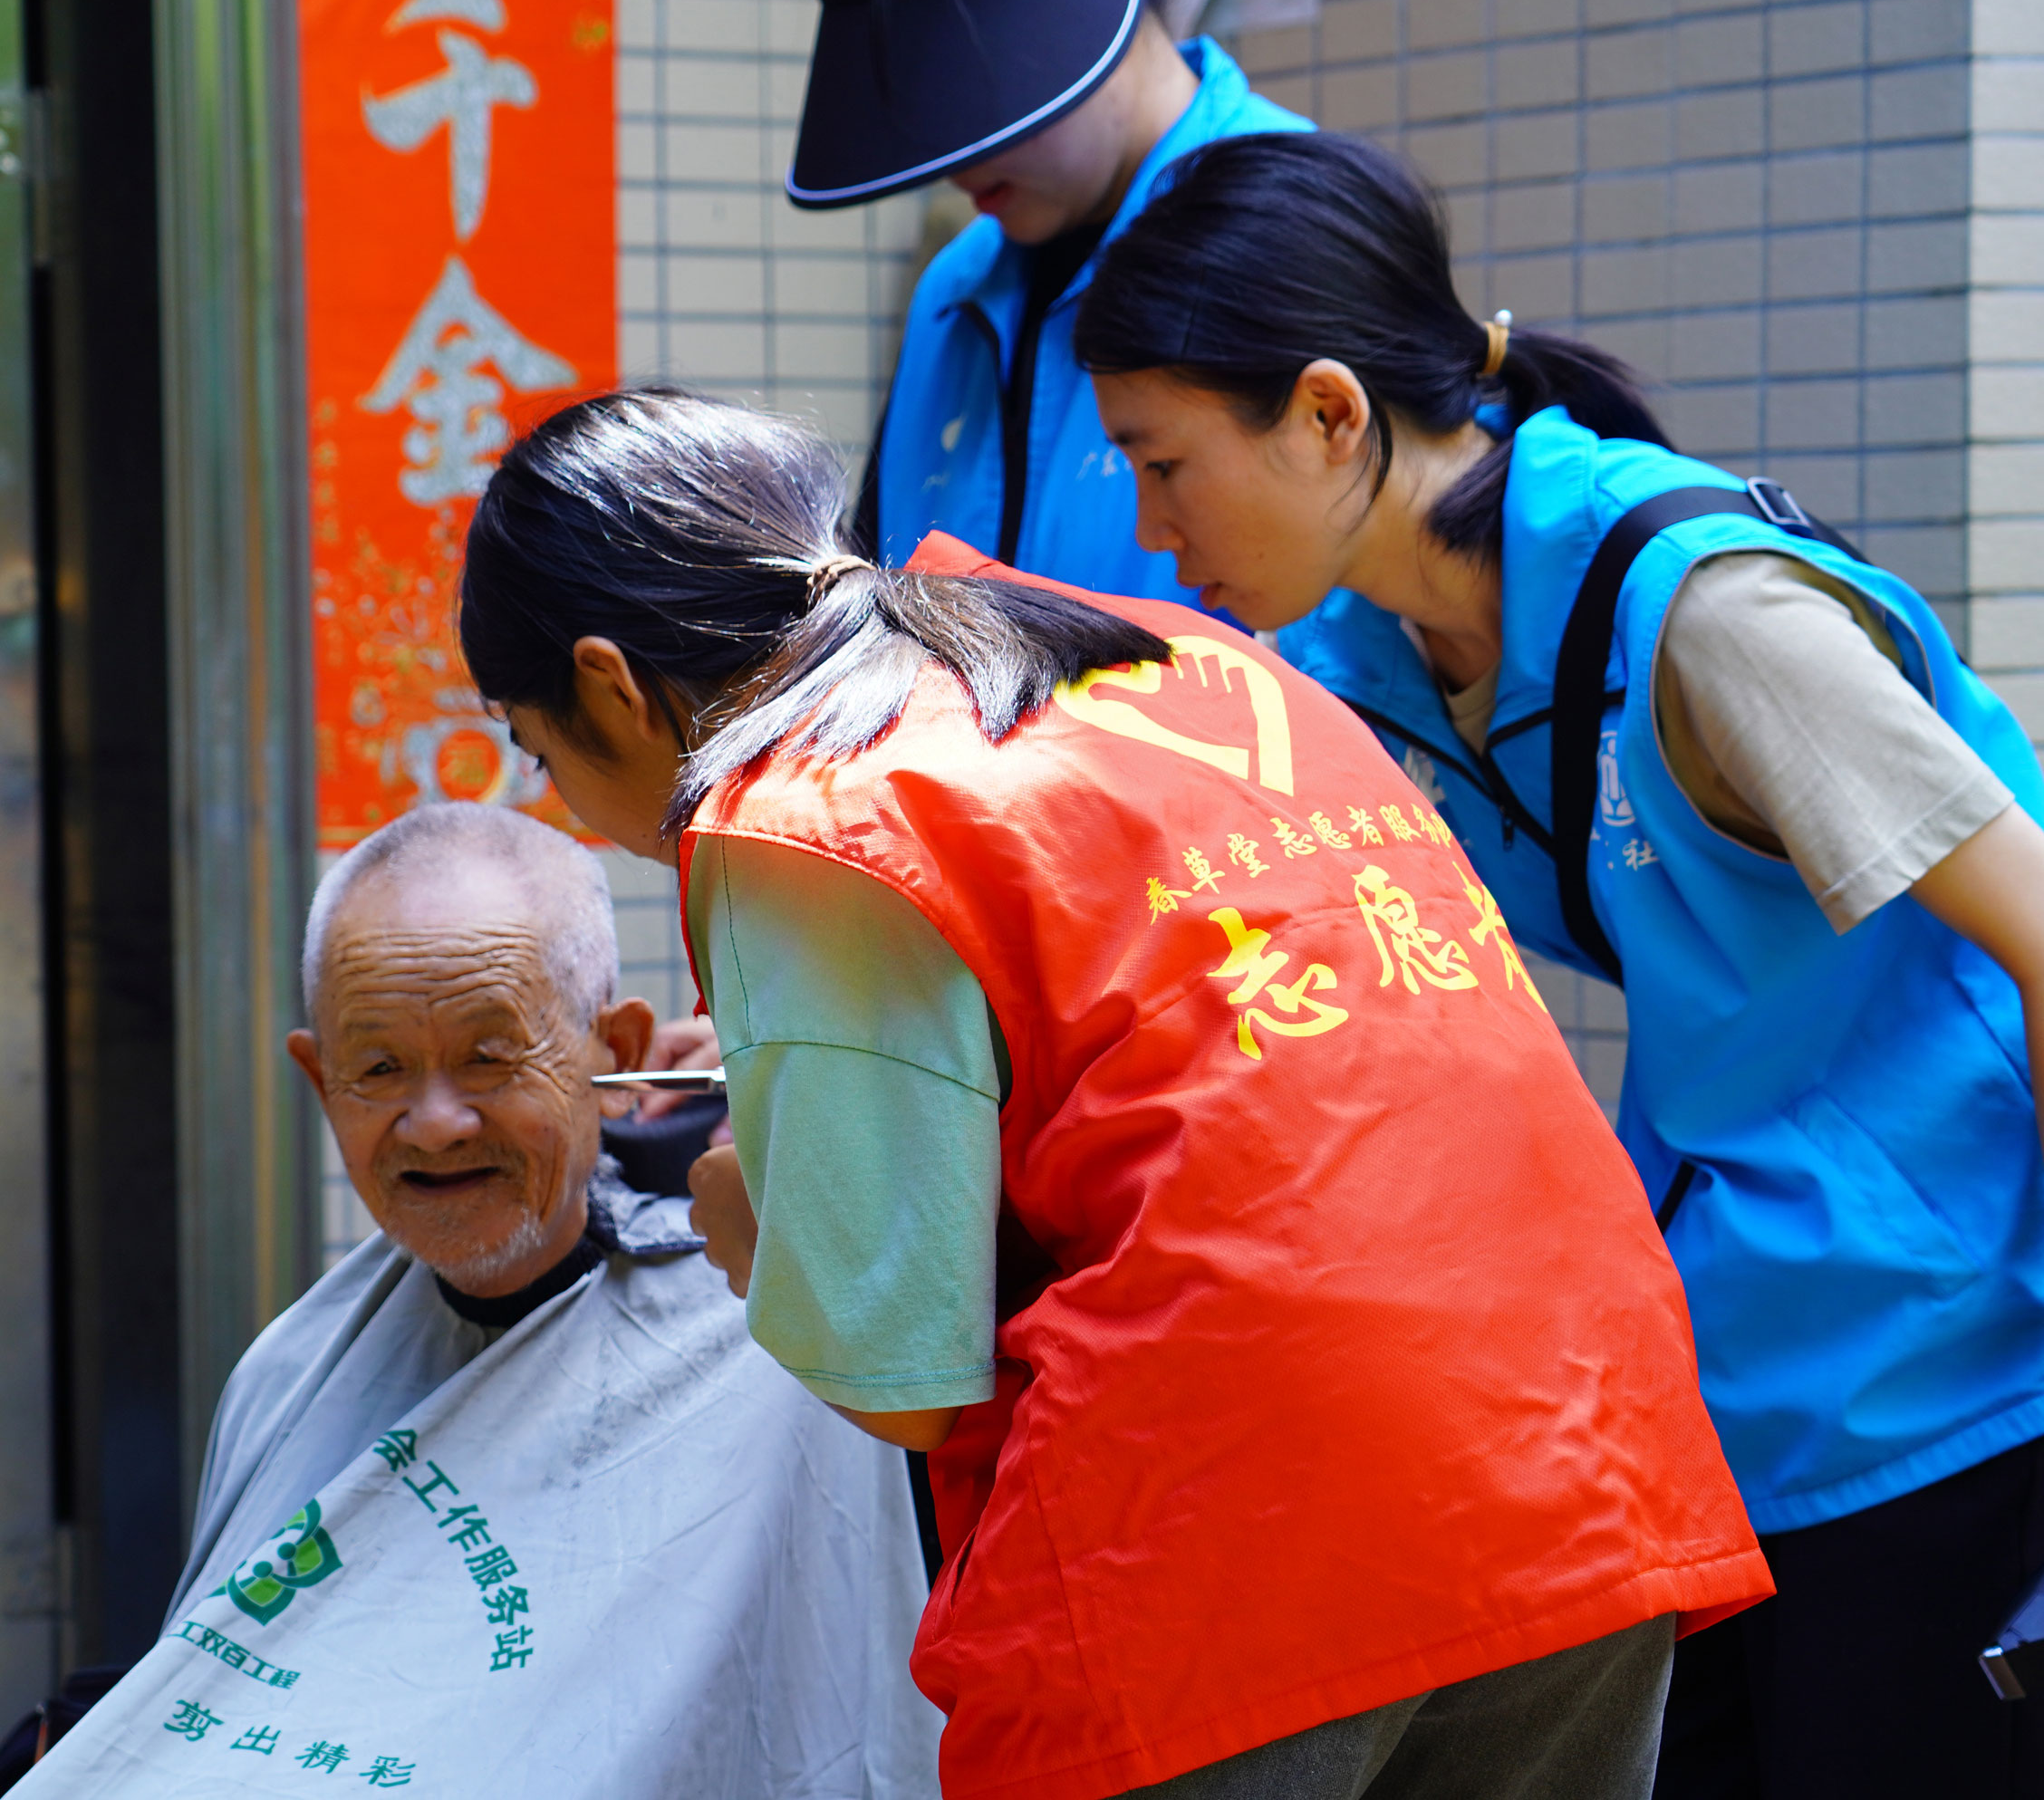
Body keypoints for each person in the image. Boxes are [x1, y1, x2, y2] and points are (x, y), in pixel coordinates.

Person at [457, 386, 1771, 1799]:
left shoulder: (806, 815)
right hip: (1583, 1455)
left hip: (1237, 1541)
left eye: (539, 754)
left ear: (607, 681)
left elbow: (896, 1371)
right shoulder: (1182, 659)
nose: (560, 794)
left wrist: (756, 1208)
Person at [1071, 129, 2044, 1798]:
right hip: (1723, 1384)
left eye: (1165, 466)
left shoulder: (1713, 619)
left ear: (1326, 412)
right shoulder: (1365, 657)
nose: (1152, 532)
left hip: (1958, 1384)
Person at [12, 804, 940, 1798]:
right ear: (321, 1081)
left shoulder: (790, 1336)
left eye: (492, 1056)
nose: (438, 1122)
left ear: (614, 1052)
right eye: (378, 1068)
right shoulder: (288, 1377)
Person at [786, 0, 1303, 591]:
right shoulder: (952, 294)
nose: (947, 156)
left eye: (973, 79)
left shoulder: (1300, 231)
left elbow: (1358, 671)